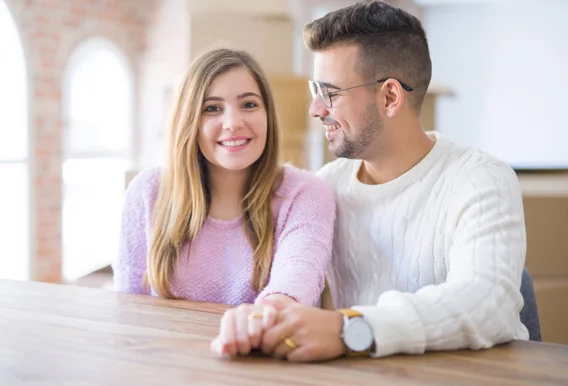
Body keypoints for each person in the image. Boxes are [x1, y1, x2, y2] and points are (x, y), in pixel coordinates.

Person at [212, 1, 528, 362]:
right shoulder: (324, 188)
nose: (316, 109)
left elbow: (487, 304)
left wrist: (349, 329)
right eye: (315, 91)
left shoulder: (479, 179)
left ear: (390, 97)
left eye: (329, 92)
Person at [112, 48, 336, 349]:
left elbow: (296, 278)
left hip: (259, 365)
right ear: (189, 120)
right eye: (212, 109)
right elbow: (128, 307)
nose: (233, 122)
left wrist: (265, 317)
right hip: (163, 362)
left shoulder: (306, 193)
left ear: (267, 113)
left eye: (248, 104)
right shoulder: (147, 192)